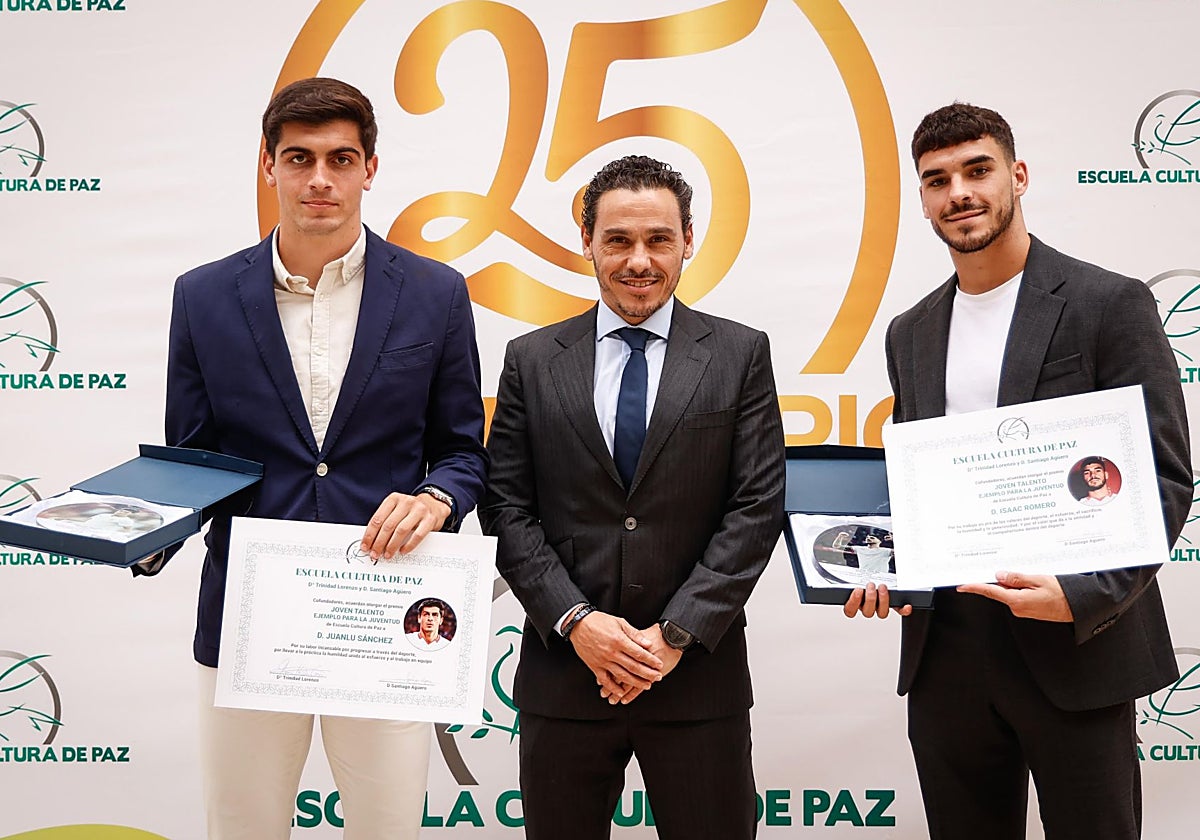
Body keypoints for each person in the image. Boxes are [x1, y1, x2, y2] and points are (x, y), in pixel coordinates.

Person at [136, 77, 488, 840]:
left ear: (370, 168)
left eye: (340, 158)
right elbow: (194, 458)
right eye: (299, 158)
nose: (320, 179)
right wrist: (141, 526)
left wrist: (436, 500)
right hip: (249, 618)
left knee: (388, 829)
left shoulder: (435, 294)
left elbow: (463, 451)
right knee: (244, 829)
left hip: (387, 611)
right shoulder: (201, 297)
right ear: (268, 166)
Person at [845, 103, 1191, 839]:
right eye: (937, 180)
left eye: (977, 170)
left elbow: (1163, 479)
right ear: (924, 199)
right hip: (948, 654)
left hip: (1076, 645)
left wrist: (1080, 595)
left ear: (1018, 176)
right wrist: (881, 568)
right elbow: (920, 487)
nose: (959, 193)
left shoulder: (1109, 303)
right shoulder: (910, 331)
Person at [479, 155, 785, 840]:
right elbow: (505, 507)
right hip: (566, 676)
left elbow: (756, 508)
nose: (638, 260)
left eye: (658, 240)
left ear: (688, 240)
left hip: (697, 678)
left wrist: (672, 636)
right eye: (617, 240)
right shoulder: (531, 360)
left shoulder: (741, 355)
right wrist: (578, 622)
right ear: (587, 241)